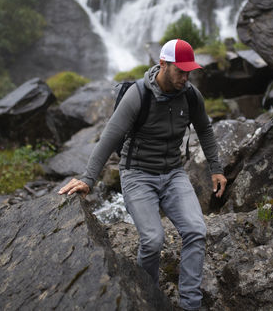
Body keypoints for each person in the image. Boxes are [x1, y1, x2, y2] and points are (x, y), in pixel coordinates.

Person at [59, 38, 227, 311]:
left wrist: (216, 169)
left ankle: (190, 305)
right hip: (137, 175)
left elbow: (205, 130)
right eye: (180, 71)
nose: (186, 77)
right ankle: (147, 300)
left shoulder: (191, 95)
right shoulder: (139, 95)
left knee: (196, 231)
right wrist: (88, 179)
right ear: (163, 64)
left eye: (189, 72)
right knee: (152, 240)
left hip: (173, 174)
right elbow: (110, 137)